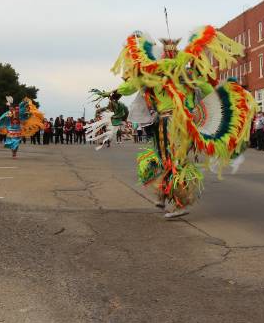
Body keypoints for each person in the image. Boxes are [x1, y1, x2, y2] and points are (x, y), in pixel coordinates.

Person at [91, 27, 255, 219]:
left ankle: (180, 203)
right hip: (164, 123)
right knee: (162, 159)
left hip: (179, 124)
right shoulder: (159, 75)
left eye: (172, 54)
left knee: (175, 161)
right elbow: (133, 84)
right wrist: (115, 93)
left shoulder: (181, 75)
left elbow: (205, 87)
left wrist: (220, 100)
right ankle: (163, 193)